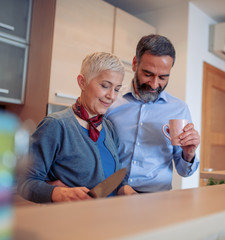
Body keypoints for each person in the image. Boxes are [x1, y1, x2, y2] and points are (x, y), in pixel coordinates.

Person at [18, 52, 137, 203]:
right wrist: (60, 193)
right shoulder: (56, 125)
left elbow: (114, 180)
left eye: (117, 89)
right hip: (71, 222)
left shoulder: (109, 128)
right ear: (82, 82)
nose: (112, 96)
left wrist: (130, 193)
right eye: (105, 86)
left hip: (106, 221)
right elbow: (25, 183)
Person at [106, 34, 200, 193]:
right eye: (148, 74)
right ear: (135, 64)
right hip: (113, 195)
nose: (154, 84)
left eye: (163, 77)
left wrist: (189, 153)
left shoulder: (179, 109)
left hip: (157, 201)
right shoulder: (110, 101)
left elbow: (184, 171)